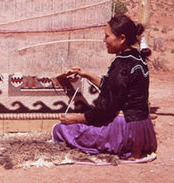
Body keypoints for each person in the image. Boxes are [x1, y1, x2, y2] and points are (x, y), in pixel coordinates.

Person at [52, 14, 157, 159]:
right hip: (142, 128)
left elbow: (105, 110)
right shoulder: (137, 58)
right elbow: (114, 88)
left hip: (124, 131)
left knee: (62, 129)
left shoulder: (122, 64)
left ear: (122, 38)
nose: (104, 40)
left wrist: (76, 118)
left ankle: (123, 147)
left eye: (107, 36)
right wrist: (85, 74)